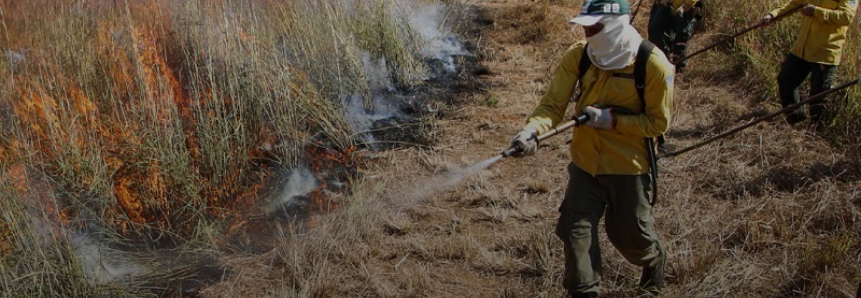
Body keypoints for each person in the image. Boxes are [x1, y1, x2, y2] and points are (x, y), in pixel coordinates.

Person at [509, 0, 674, 296]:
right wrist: (531, 131)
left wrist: (612, 121)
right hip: (585, 165)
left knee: (630, 237)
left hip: (628, 167)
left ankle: (654, 262)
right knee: (576, 233)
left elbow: (657, 124)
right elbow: (553, 104)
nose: (587, 32)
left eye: (593, 25)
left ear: (614, 26)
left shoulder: (653, 64)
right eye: (585, 24)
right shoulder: (579, 55)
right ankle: (584, 290)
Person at [760, 0, 857, 127]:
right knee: (785, 80)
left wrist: (816, 11)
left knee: (818, 99)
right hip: (801, 50)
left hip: (825, 53)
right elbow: (794, 4)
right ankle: (795, 120)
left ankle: (816, 133)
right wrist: (773, 15)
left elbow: (846, 17)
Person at [647, 0, 702, 73]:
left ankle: (679, 67)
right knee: (654, 30)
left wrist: (685, 5)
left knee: (681, 37)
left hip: (685, 7)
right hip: (667, 4)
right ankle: (662, 59)